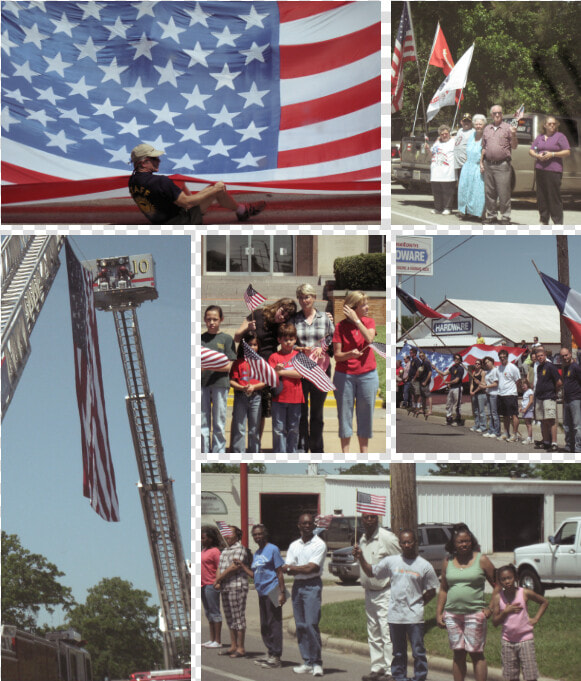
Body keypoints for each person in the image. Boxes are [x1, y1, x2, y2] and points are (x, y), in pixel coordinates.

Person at [355, 529, 440, 681]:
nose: (407, 545)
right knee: (398, 652)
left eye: (410, 542)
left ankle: (420, 677)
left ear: (415, 543)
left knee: (418, 651)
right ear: (400, 544)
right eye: (404, 542)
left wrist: (418, 603)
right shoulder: (391, 561)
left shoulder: (424, 565)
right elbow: (370, 572)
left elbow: (432, 591)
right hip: (395, 616)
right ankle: (399, 676)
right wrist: (361, 557)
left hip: (414, 617)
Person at [128, 143, 265, 224]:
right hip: (181, 222)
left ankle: (238, 208)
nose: (159, 161)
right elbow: (187, 203)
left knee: (180, 184)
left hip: (159, 221)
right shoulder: (160, 181)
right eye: (154, 159)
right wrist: (213, 190)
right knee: (217, 188)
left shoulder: (132, 181)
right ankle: (242, 211)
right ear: (144, 162)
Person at [436, 523, 497, 681]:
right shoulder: (447, 561)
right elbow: (443, 589)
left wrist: (490, 608)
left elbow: (498, 586)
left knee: (477, 654)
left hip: (475, 614)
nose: (464, 544)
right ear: (453, 544)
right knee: (458, 653)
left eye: (467, 541)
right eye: (460, 542)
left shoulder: (481, 559)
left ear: (472, 541)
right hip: (452, 615)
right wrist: (439, 613)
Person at [235, 297, 297, 446]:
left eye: (287, 316)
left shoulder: (281, 327)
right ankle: (238, 447)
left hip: (265, 370)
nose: (283, 317)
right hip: (247, 367)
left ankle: (255, 445)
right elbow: (237, 337)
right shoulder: (257, 314)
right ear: (278, 306)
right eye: (283, 312)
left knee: (260, 411)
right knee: (241, 411)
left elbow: (291, 340)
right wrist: (247, 328)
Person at [354, 513, 400, 681]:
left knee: (386, 632)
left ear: (378, 519)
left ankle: (391, 670)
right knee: (373, 631)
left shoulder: (387, 538)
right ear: (361, 520)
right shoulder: (362, 539)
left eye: (373, 517)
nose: (369, 520)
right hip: (369, 592)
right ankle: (377, 667)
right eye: (365, 517)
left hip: (386, 591)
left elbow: (400, 562)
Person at [332, 291, 380, 453]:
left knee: (365, 416)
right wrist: (349, 355)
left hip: (368, 375)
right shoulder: (340, 327)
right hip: (344, 376)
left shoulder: (369, 322)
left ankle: (363, 453)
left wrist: (357, 321)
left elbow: (369, 339)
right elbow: (337, 356)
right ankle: (346, 453)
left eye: (367, 304)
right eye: (363, 305)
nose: (367, 307)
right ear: (353, 308)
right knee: (345, 415)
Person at [234, 525, 287, 669]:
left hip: (274, 589)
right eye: (255, 535)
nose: (258, 537)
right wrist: (242, 566)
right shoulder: (257, 554)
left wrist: (282, 592)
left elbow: (279, 572)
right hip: (262, 591)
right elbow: (254, 575)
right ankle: (270, 652)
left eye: (260, 534)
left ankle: (276, 656)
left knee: (274, 624)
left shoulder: (273, 549)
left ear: (265, 534)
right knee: (265, 625)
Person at [282, 513, 327, 677]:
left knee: (311, 624)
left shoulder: (319, 544)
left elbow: (312, 568)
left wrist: (292, 569)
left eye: (310, 523)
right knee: (300, 625)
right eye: (304, 523)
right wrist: (292, 569)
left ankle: (317, 662)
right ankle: (307, 661)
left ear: (314, 526)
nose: (307, 526)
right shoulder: (294, 545)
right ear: (299, 526)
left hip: (312, 585)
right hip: (298, 586)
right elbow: (288, 566)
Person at [292, 284, 335, 453]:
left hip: (321, 369)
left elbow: (333, 338)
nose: (304, 300)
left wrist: (323, 348)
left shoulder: (325, 318)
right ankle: (302, 446)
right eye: (301, 297)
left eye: (307, 297)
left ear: (314, 297)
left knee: (317, 413)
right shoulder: (294, 319)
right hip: (300, 370)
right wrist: (299, 348)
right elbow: (288, 341)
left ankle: (317, 448)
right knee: (301, 412)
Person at [491, 564, 548, 681]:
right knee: (510, 676)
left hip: (525, 639)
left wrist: (536, 618)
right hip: (508, 641)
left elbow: (544, 602)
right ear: (499, 582)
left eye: (509, 578)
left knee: (530, 675)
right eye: (503, 579)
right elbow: (495, 622)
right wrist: (505, 612)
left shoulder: (524, 593)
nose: (507, 581)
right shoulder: (498, 598)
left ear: (516, 578)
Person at [202, 305, 236, 453]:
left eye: (215, 319)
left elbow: (229, 366)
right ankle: (203, 451)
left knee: (219, 422)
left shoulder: (227, 339)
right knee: (202, 422)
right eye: (209, 319)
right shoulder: (200, 339)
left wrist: (208, 366)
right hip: (202, 384)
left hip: (220, 384)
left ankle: (219, 452)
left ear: (221, 319)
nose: (212, 322)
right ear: (204, 320)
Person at [214, 526, 250, 658]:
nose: (227, 536)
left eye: (230, 533)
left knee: (238, 616)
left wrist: (219, 579)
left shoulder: (240, 549)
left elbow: (234, 567)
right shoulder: (224, 551)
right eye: (226, 533)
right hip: (225, 587)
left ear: (237, 536)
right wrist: (218, 581)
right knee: (229, 617)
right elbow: (219, 566)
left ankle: (241, 648)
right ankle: (233, 645)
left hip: (237, 585)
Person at [268, 323, 304, 453]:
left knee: (293, 429)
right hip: (279, 398)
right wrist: (275, 371)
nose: (288, 342)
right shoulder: (274, 357)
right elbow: (270, 376)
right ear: (279, 340)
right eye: (285, 339)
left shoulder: (299, 355)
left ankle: (292, 452)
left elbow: (300, 374)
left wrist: (281, 372)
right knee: (279, 429)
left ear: (295, 339)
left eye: (291, 339)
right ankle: (280, 453)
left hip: (295, 397)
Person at [529, 116, 571, 224]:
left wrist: (552, 154)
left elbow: (567, 152)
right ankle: (544, 219)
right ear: (545, 125)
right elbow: (532, 150)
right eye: (550, 124)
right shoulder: (540, 137)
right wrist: (537, 155)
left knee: (553, 197)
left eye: (554, 124)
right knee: (541, 196)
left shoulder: (560, 136)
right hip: (540, 170)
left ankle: (557, 221)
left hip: (553, 171)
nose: (552, 125)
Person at [480, 105, 518, 225]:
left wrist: (513, 134)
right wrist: (481, 162)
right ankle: (491, 216)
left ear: (502, 114)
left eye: (499, 113)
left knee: (504, 192)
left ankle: (505, 217)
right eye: (495, 113)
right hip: (488, 164)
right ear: (491, 115)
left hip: (503, 165)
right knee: (489, 193)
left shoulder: (508, 128)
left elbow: (514, 146)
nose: (497, 115)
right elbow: (484, 147)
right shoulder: (487, 129)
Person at [229, 332, 265, 453]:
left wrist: (254, 387)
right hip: (241, 396)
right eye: (250, 344)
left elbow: (265, 382)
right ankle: (238, 452)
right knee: (239, 427)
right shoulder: (238, 362)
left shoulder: (261, 362)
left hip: (256, 397)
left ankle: (254, 452)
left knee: (254, 427)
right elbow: (232, 381)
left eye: (255, 345)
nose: (253, 347)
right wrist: (241, 387)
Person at [457, 114, 487, 220]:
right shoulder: (471, 135)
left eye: (480, 124)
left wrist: (482, 163)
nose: (478, 126)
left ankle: (478, 213)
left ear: (484, 125)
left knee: (477, 191)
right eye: (476, 124)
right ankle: (465, 211)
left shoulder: (486, 136)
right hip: (468, 165)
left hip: (478, 166)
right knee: (465, 189)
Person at [533, 346, 562, 451]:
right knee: (543, 421)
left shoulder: (550, 366)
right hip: (540, 397)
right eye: (538, 356)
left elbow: (559, 382)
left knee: (551, 420)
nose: (540, 358)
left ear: (545, 356)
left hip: (549, 397)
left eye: (541, 355)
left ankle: (554, 443)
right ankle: (546, 442)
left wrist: (554, 392)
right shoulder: (538, 367)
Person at [427, 125, 456, 215]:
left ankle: (447, 208)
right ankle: (438, 208)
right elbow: (431, 155)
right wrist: (428, 149)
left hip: (448, 172)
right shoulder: (437, 142)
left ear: (449, 133)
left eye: (446, 133)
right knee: (436, 192)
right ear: (440, 135)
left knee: (448, 192)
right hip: (436, 172)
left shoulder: (453, 141)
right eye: (442, 134)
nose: (444, 135)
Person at [202, 527, 223, 649]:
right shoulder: (203, 550)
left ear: (210, 539)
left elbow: (220, 567)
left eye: (204, 538)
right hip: (202, 584)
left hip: (211, 584)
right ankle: (212, 638)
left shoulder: (215, 551)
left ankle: (218, 640)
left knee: (215, 612)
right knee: (208, 612)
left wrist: (218, 580)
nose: (201, 540)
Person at [496, 349, 522, 442]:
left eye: (504, 357)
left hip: (511, 395)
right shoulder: (498, 368)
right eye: (500, 357)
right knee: (505, 415)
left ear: (507, 357)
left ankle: (514, 435)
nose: (502, 359)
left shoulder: (513, 367)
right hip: (501, 394)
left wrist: (514, 391)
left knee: (514, 415)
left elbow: (518, 381)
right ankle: (506, 433)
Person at [559, 347, 581, 453]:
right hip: (567, 400)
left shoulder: (576, 367)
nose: (564, 357)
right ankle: (569, 445)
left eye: (566, 355)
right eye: (562, 356)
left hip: (575, 399)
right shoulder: (566, 368)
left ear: (570, 354)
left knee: (577, 425)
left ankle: (578, 447)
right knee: (567, 425)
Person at [434, 354, 465, 426]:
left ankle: (458, 420)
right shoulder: (452, 367)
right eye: (455, 359)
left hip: (458, 388)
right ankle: (449, 418)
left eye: (458, 359)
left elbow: (457, 380)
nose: (456, 360)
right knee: (449, 403)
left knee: (457, 405)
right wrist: (436, 369)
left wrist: (448, 382)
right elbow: (444, 373)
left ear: (460, 360)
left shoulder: (460, 369)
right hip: (452, 388)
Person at [479, 356, 500, 438]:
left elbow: (495, 383)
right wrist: (483, 377)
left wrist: (485, 387)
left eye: (488, 362)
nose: (487, 364)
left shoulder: (496, 370)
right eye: (485, 363)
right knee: (490, 414)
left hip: (494, 394)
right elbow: (484, 383)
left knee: (495, 414)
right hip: (488, 394)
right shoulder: (487, 372)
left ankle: (496, 431)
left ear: (492, 361)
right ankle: (491, 430)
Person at [468, 360, 487, 433]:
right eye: (476, 363)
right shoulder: (473, 373)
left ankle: (483, 426)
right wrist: (471, 391)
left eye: (478, 364)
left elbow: (482, 384)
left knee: (481, 411)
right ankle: (477, 424)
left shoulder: (482, 372)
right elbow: (472, 383)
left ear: (481, 365)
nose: (477, 365)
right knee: (475, 410)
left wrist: (474, 391)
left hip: (481, 393)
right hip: (474, 394)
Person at [454, 114, 474, 182]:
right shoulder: (460, 130)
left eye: (468, 121)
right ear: (461, 122)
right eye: (464, 121)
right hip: (458, 164)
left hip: (466, 164)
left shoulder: (473, 132)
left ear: (471, 122)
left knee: (467, 183)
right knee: (460, 184)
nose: (466, 123)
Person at [415, 350, 433, 418]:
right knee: (423, 396)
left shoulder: (426, 363)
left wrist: (425, 381)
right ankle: (423, 409)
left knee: (428, 395)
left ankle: (430, 410)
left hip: (425, 382)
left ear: (425, 356)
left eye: (422, 355)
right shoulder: (422, 363)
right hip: (421, 381)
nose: (421, 357)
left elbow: (430, 372)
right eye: (420, 356)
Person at [405, 348, 421, 415]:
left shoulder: (417, 361)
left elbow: (419, 370)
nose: (410, 354)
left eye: (411, 352)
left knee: (417, 394)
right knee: (413, 394)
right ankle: (414, 407)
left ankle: (418, 407)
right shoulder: (412, 361)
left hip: (416, 380)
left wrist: (415, 377)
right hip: (411, 379)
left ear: (414, 353)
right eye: (410, 352)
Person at [518, 378, 534, 446]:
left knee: (528, 424)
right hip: (525, 410)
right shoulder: (525, 392)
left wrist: (526, 409)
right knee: (527, 424)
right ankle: (530, 437)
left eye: (524, 385)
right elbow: (524, 401)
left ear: (527, 384)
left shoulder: (530, 391)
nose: (523, 387)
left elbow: (531, 401)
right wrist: (521, 407)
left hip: (528, 410)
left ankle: (529, 438)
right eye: (522, 386)